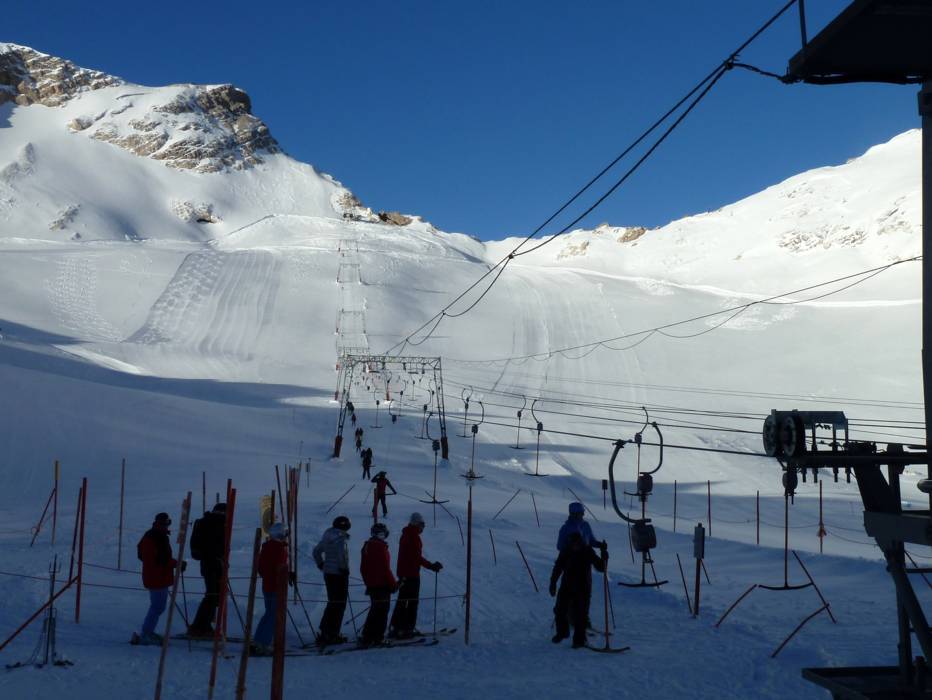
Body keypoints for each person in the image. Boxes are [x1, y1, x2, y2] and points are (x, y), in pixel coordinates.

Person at [549, 532, 607, 648]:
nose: (575, 546)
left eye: (577, 544)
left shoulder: (587, 551)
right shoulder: (566, 551)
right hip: (567, 585)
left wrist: (604, 555)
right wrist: (553, 583)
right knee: (560, 610)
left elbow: (601, 567)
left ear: (580, 542)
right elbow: (558, 567)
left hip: (583, 587)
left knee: (581, 614)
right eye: (573, 544)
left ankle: (579, 640)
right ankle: (562, 632)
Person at [388, 513, 442, 639]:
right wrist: (431, 566)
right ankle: (406, 629)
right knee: (411, 602)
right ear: (417, 524)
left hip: (404, 573)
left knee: (403, 601)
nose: (423, 528)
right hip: (411, 574)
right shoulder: (413, 536)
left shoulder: (407, 534)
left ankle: (397, 627)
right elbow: (416, 557)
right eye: (422, 525)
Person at [133, 512, 183, 645]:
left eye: (167, 523)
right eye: (166, 523)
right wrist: (176, 564)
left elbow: (142, 553)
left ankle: (147, 632)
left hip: (156, 575)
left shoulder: (153, 534)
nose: (167, 526)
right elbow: (161, 559)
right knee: (157, 606)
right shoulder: (157, 536)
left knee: (157, 606)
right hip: (157, 577)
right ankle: (146, 633)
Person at [188, 502, 227, 637]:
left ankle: (203, 625)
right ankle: (199, 627)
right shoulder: (218, 523)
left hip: (208, 563)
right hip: (214, 564)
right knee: (213, 595)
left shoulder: (204, 522)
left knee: (213, 595)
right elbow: (217, 545)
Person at [313, 515, 352, 645]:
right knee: (339, 604)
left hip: (328, 573)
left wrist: (321, 564)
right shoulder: (341, 538)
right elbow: (342, 555)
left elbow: (316, 551)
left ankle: (325, 630)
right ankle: (332, 633)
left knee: (332, 602)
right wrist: (344, 569)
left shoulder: (327, 536)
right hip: (339, 575)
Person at [252, 523, 290, 655]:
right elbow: (279, 568)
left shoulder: (266, 547)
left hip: (267, 585)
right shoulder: (279, 549)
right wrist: (286, 575)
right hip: (276, 586)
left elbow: (261, 568)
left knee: (269, 613)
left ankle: (258, 640)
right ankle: (263, 644)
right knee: (274, 615)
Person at [359, 523, 397, 646]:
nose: (382, 536)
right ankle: (377, 637)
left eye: (383, 534)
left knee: (375, 609)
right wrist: (393, 584)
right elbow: (385, 568)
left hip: (373, 584)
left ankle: (368, 635)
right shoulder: (380, 547)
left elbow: (363, 568)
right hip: (381, 585)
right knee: (381, 611)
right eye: (380, 534)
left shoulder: (367, 546)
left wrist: (368, 582)